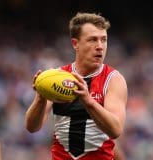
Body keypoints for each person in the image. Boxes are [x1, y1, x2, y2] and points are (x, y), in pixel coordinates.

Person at [25, 12, 128, 160]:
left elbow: (115, 130)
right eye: (92, 40)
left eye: (103, 40)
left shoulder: (113, 79)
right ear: (75, 44)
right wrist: (40, 98)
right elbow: (32, 127)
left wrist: (88, 102)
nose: (100, 46)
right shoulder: (57, 77)